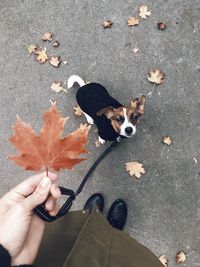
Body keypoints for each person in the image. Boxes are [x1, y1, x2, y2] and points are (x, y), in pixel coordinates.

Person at [0, 173, 163, 267]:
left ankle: (96, 223)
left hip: (35, 258)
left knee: (61, 238)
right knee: (122, 256)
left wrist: (6, 253)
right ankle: (105, 231)